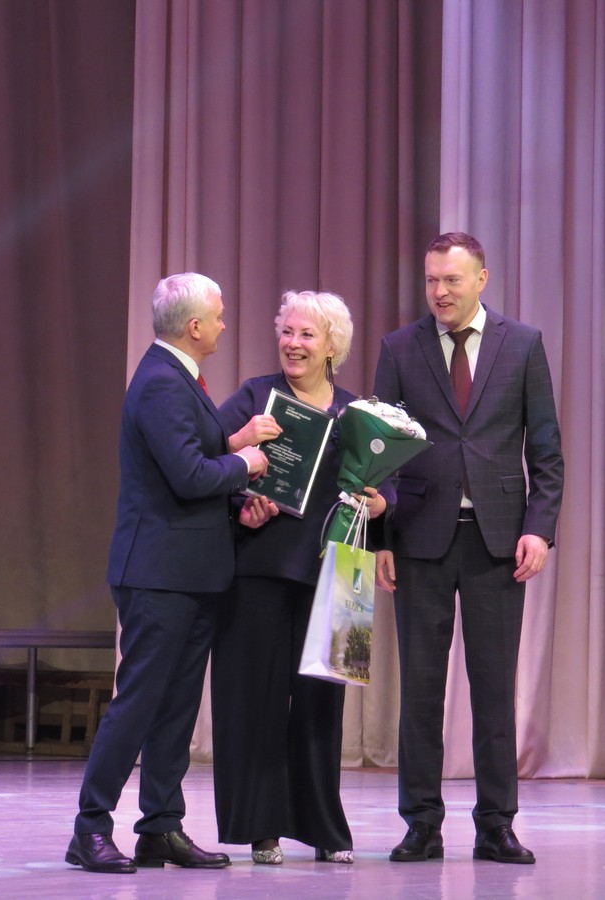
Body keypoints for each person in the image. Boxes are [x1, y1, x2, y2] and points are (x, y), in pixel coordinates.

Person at [67, 272, 275, 875]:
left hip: (192, 571)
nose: (224, 325)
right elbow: (188, 476)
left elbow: (188, 462)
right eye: (219, 316)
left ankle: (160, 826)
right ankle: (90, 827)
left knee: (177, 708)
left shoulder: (178, 377)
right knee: (138, 703)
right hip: (159, 572)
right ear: (194, 326)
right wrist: (244, 462)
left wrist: (232, 453)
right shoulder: (162, 381)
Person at [373, 232, 564, 865]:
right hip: (419, 538)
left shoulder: (523, 344)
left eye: (451, 280)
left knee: (494, 690)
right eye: (432, 280)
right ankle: (421, 824)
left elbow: (546, 449)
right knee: (420, 691)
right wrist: (381, 539)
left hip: (496, 541)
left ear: (481, 279)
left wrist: (539, 527)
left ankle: (496, 825)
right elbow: (378, 454)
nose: (440, 292)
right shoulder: (400, 348)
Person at [211, 290, 385, 865]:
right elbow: (207, 462)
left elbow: (386, 486)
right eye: (287, 331)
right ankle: (260, 827)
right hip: (257, 571)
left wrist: (381, 504)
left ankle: (323, 828)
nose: (293, 343)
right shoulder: (255, 397)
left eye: (307, 334)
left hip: (339, 579)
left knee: (320, 708)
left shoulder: (359, 415)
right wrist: (240, 501)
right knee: (254, 702)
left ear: (333, 346)